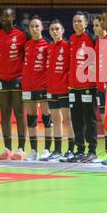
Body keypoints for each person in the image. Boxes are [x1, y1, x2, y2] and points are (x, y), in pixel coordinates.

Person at [0, 7, 28, 160]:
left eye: (7, 16)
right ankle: (7, 149)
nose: (4, 19)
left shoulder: (22, 35)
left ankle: (21, 149)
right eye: (2, 16)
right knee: (4, 114)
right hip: (1, 79)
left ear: (13, 17)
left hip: (17, 79)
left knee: (19, 113)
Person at [66, 11, 98, 163]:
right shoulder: (71, 39)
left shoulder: (92, 38)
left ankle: (92, 150)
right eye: (74, 21)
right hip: (73, 87)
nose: (77, 24)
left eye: (80, 21)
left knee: (89, 119)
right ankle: (79, 150)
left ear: (86, 24)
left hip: (88, 87)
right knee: (76, 119)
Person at [21, 16, 51, 161]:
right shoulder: (26, 45)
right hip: (27, 86)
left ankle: (47, 149)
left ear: (41, 28)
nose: (34, 29)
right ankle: (33, 151)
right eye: (31, 26)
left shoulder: (47, 44)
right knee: (31, 118)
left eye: (36, 26)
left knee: (46, 117)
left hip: (42, 86)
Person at [45, 20, 75, 162]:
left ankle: (71, 149)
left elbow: (71, 67)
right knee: (56, 120)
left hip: (64, 89)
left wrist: (67, 82)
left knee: (68, 120)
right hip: (51, 89)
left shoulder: (67, 46)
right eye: (52, 29)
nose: (55, 32)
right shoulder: (49, 47)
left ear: (62, 30)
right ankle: (57, 150)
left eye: (57, 29)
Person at [93, 14, 107, 162]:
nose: (95, 28)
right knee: (104, 118)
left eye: (98, 25)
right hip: (99, 86)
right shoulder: (97, 42)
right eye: (94, 26)